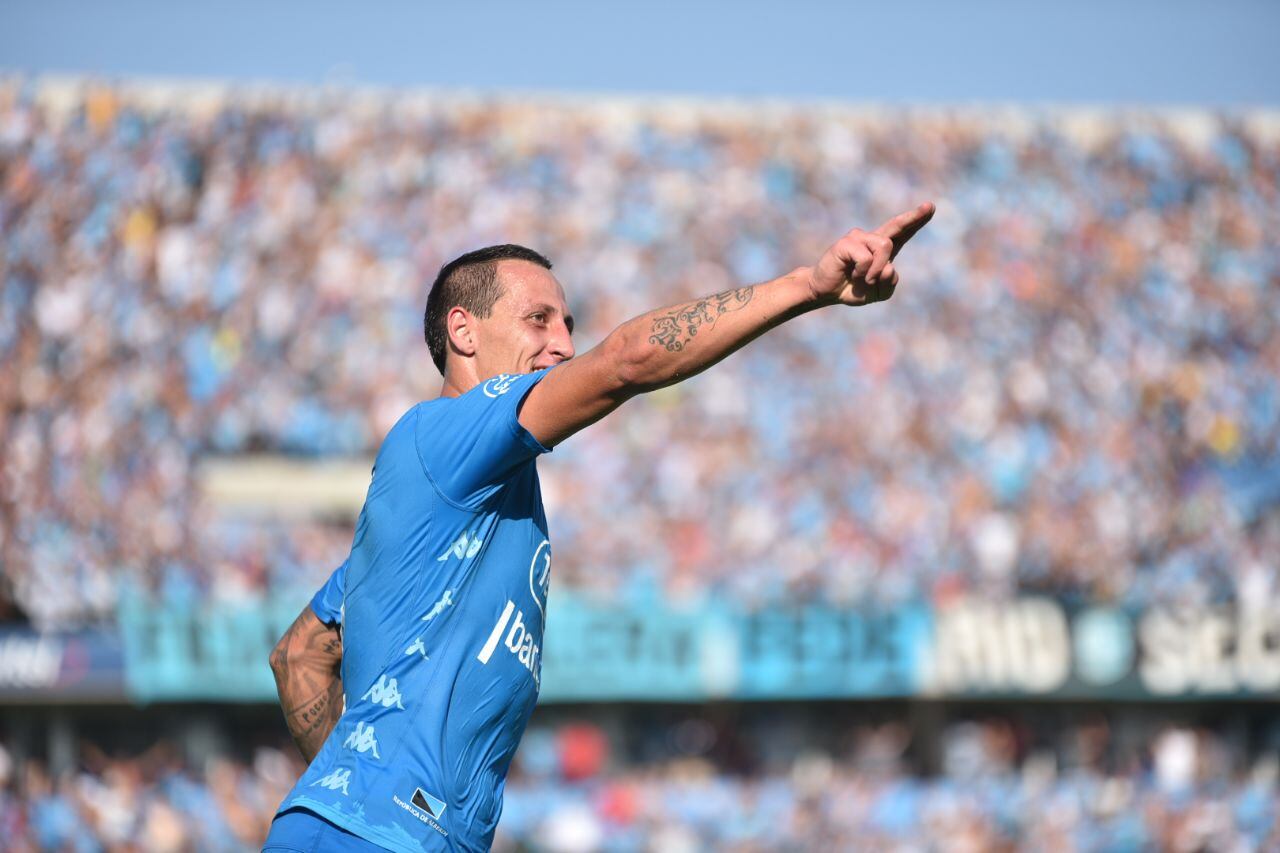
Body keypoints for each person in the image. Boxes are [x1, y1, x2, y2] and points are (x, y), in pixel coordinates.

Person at [262, 203, 936, 852]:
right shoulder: (444, 437)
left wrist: (349, 787)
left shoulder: (451, 513)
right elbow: (625, 362)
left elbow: (302, 651)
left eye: (568, 322)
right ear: (464, 332)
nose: (564, 341)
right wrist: (808, 287)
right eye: (538, 320)